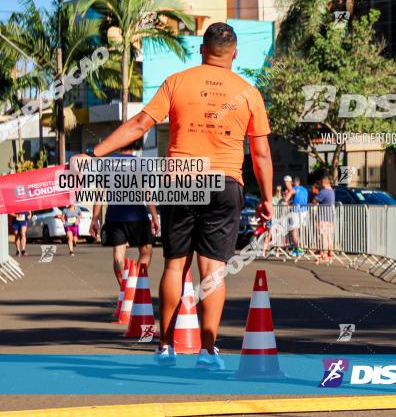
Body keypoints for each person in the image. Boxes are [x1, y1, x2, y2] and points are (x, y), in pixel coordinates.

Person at [73, 22, 273, 369]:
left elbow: (139, 125)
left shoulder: (178, 82)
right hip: (225, 182)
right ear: (235, 53)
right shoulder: (248, 92)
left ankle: (165, 345)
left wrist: (94, 154)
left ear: (201, 50)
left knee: (175, 264)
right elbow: (261, 156)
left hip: (181, 179)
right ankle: (208, 350)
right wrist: (268, 198)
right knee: (213, 270)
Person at [90, 139, 160, 291]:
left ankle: (126, 290)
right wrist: (154, 217)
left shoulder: (107, 164)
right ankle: (134, 284)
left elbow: (99, 194)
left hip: (114, 216)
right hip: (137, 216)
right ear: (136, 145)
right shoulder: (140, 164)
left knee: (118, 256)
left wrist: (94, 219)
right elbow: (147, 193)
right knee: (147, 250)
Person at [313, 175, 335, 263]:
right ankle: (330, 253)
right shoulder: (332, 191)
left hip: (323, 217)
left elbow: (315, 200)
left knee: (323, 236)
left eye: (321, 182)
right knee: (329, 236)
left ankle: (324, 255)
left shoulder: (324, 191)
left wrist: (316, 195)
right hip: (330, 217)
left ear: (324, 182)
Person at [284, 175, 308, 257]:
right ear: (300, 182)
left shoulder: (294, 189)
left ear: (293, 183)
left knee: (293, 230)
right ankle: (302, 248)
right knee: (302, 231)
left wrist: (286, 200)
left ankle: (298, 249)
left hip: (297, 212)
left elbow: (287, 198)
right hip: (305, 211)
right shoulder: (305, 190)